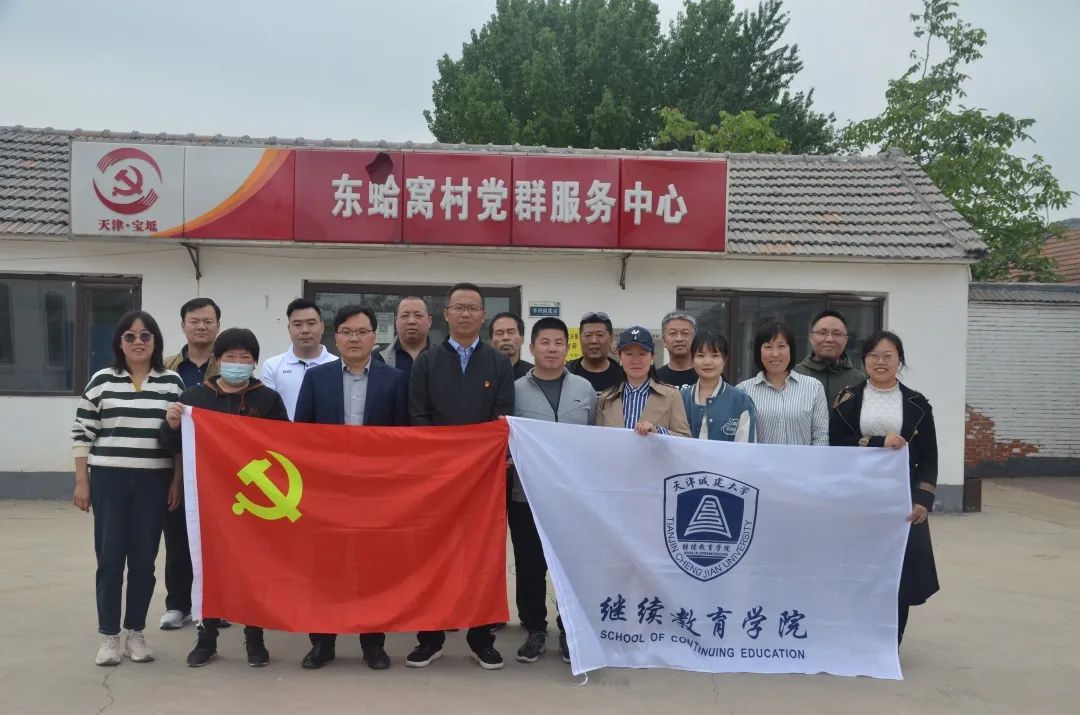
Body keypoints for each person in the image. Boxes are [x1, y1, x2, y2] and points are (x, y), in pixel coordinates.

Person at [161, 328, 289, 668]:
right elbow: (174, 445)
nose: (237, 363)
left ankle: (255, 638)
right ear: (217, 360)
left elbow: (285, 445)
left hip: (253, 499)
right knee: (209, 566)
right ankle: (206, 638)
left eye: (245, 357)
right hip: (209, 498)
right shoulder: (194, 397)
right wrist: (171, 424)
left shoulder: (267, 399)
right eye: (230, 356)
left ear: (255, 362)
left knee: (254, 568)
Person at [406, 282, 515, 670]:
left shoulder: (498, 363)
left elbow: (502, 418)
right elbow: (418, 416)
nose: (465, 313)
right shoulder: (427, 362)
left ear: (483, 316)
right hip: (436, 478)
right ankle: (430, 638)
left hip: (483, 480)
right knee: (432, 557)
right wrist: (445, 460)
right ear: (446, 314)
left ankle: (481, 637)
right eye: (459, 307)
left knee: (482, 557)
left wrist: (478, 459)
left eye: (473, 308)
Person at [293, 305, 407, 671]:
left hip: (376, 492)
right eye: (346, 332)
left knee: (373, 568)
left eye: (361, 332)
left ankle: (373, 644)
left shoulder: (395, 380)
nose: (354, 338)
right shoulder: (317, 378)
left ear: (375, 337)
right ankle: (322, 643)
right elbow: (301, 435)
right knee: (326, 568)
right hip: (328, 491)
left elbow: (405, 438)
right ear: (336, 337)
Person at [71, 311, 185, 666]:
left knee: (143, 561)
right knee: (109, 560)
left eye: (145, 335)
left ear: (155, 342)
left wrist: (176, 481)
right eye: (130, 336)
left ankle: (135, 631)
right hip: (109, 480)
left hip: (154, 481)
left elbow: (180, 440)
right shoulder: (102, 380)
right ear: (119, 342)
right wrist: (82, 482)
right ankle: (109, 636)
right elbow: (82, 433)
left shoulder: (172, 382)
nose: (138, 342)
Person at [829, 331, 939, 645]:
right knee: (858, 569)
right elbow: (835, 442)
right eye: (874, 355)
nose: (881, 362)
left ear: (899, 361)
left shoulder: (917, 403)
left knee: (899, 571)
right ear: (863, 360)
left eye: (888, 356)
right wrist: (878, 442)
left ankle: (891, 642)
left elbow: (929, 456)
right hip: (856, 498)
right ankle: (854, 638)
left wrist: (923, 499)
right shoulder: (847, 399)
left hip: (900, 500)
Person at [511, 317, 597, 665]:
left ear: (567, 347)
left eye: (558, 342)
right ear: (532, 348)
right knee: (530, 566)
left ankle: (567, 629)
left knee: (570, 565)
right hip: (526, 495)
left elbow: (594, 438)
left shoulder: (584, 389)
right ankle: (534, 629)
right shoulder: (515, 390)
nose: (551, 349)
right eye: (544, 342)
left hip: (571, 497)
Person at [159, 297, 221, 631]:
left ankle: (216, 603)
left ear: (218, 326)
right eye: (194, 321)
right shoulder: (165, 368)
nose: (201, 327)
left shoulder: (228, 365)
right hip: (175, 463)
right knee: (177, 536)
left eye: (208, 321)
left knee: (217, 538)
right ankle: (177, 605)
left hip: (218, 467)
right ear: (183, 326)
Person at [736, 321, 828, 446]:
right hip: (759, 459)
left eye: (781, 346)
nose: (775, 354)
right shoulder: (742, 391)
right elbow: (739, 439)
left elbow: (820, 437)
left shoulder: (814, 387)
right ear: (759, 351)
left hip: (802, 459)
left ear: (791, 350)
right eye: (768, 347)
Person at [595, 326, 691, 437]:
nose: (636, 361)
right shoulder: (606, 399)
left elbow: (685, 438)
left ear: (652, 357)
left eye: (642, 354)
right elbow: (598, 439)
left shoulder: (671, 396)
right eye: (629, 354)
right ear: (620, 358)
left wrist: (658, 432)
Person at [260, 298, 338, 419]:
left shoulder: (338, 365)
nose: (305, 330)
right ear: (289, 328)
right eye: (297, 324)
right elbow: (267, 410)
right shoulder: (272, 366)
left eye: (311, 323)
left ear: (322, 327)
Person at [680, 332, 756, 442]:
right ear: (692, 360)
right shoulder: (680, 398)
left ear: (724, 360)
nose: (707, 362)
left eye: (715, 355)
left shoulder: (741, 401)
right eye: (700, 356)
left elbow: (745, 447)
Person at [793, 309, 867, 406]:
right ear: (811, 338)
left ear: (846, 340)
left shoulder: (860, 380)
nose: (829, 339)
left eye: (837, 334)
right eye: (822, 333)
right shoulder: (793, 375)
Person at [378, 296, 433, 381]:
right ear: (396, 320)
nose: (411, 321)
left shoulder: (444, 359)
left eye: (418, 315)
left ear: (429, 321)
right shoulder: (376, 358)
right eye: (404, 316)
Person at [566, 311, 623, 393]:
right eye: (588, 335)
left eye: (600, 335)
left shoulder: (623, 376)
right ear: (580, 338)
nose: (594, 341)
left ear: (611, 338)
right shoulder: (566, 374)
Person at [656, 310, 698, 388]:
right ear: (664, 341)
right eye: (673, 333)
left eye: (685, 333)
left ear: (694, 339)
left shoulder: (707, 375)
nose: (679, 339)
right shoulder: (655, 379)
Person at [490, 311, 533, 379]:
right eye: (499, 333)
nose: (505, 337)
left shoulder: (533, 375)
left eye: (511, 332)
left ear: (522, 339)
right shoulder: (479, 372)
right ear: (491, 341)